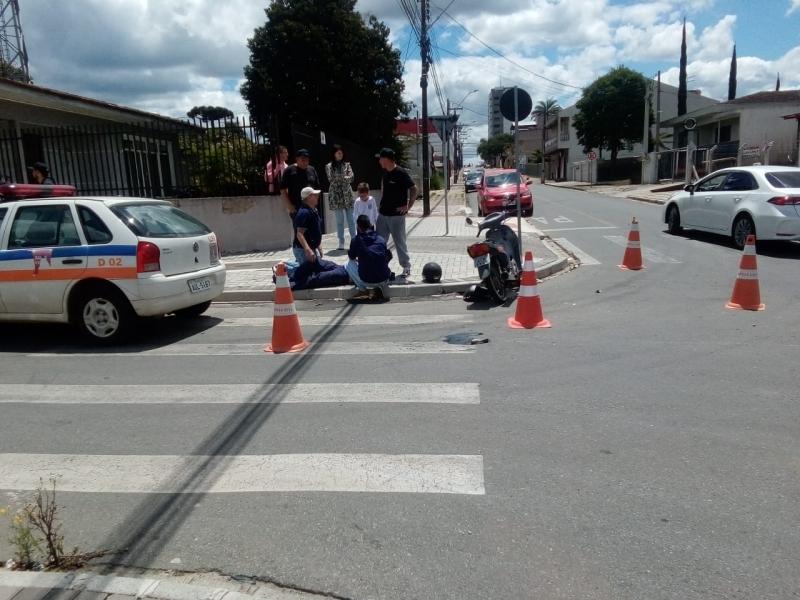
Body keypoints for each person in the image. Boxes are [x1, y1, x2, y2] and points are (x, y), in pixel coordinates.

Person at [376, 148, 417, 279]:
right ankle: (380, 266)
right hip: (383, 214)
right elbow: (384, 188)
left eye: (380, 158)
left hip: (396, 216)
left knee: (399, 242)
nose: (379, 161)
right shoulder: (385, 172)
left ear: (386, 159)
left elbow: (414, 188)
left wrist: (408, 206)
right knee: (379, 242)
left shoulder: (400, 172)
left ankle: (406, 266)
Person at [346, 215, 392, 301]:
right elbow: (387, 257)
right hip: (384, 278)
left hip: (366, 280)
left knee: (348, 264)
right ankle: (378, 288)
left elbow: (351, 256)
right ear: (370, 225)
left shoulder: (356, 240)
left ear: (358, 227)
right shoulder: (381, 239)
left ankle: (363, 290)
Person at [325, 144, 355, 250]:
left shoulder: (347, 165)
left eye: (341, 152)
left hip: (347, 194)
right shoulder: (329, 166)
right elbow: (331, 179)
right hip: (336, 196)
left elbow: (351, 177)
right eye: (338, 152)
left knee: (351, 219)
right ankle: (341, 242)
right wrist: (343, 177)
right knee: (339, 220)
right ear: (334, 154)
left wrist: (340, 177)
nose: (340, 154)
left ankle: (354, 240)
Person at [280, 149, 320, 216]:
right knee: (301, 226)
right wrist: (289, 206)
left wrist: (315, 203)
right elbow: (282, 189)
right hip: (297, 209)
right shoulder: (289, 171)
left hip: (312, 208)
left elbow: (317, 188)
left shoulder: (312, 170)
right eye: (303, 160)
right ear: (297, 159)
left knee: (315, 226)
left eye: (307, 160)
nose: (305, 162)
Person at [293, 187, 324, 265]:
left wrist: (318, 246)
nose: (318, 196)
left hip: (311, 247)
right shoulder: (304, 213)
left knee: (313, 270)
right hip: (302, 249)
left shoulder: (313, 211)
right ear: (309, 197)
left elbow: (315, 230)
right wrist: (308, 250)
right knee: (308, 273)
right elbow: (299, 234)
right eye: (315, 195)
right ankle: (285, 268)